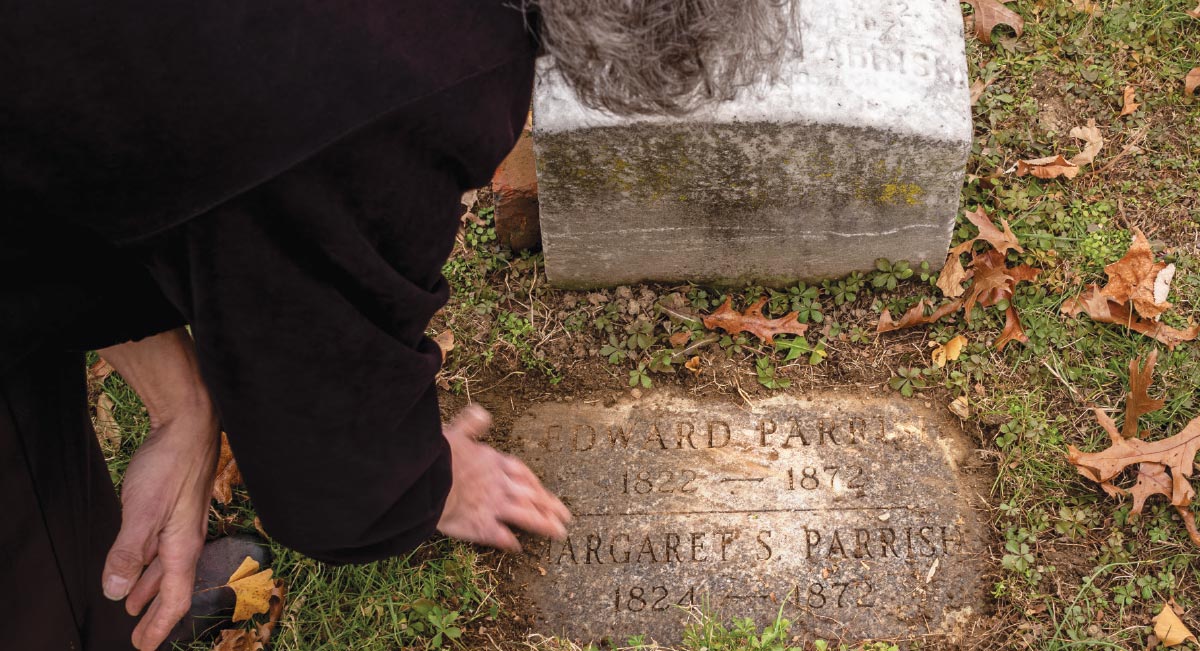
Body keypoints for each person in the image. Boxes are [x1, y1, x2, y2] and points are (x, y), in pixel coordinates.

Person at [0, 1, 794, 649]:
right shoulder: (406, 79)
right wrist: (418, 483)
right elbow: (327, 458)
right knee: (36, 585)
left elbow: (110, 90)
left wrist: (185, 400)